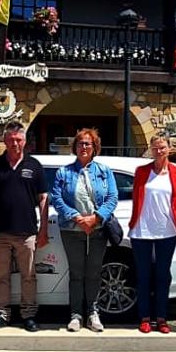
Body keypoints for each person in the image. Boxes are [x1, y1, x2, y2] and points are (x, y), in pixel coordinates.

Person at [0, 122, 49, 332]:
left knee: (28, 276)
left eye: (18, 139)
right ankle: (2, 314)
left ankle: (28, 315)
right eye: (10, 140)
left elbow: (44, 199)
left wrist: (43, 230)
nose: (14, 143)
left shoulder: (34, 166)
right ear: (4, 141)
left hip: (27, 232)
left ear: (25, 141)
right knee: (1, 276)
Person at [50, 127, 118, 332]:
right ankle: (76, 315)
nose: (84, 147)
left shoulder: (104, 172)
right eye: (80, 143)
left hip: (97, 229)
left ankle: (92, 312)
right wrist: (77, 217)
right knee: (77, 273)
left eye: (88, 143)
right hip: (72, 229)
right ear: (75, 147)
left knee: (94, 273)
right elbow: (56, 198)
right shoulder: (64, 172)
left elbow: (112, 198)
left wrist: (95, 218)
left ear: (94, 147)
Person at [128, 133, 176, 334]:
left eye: (162, 147)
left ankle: (162, 318)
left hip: (167, 230)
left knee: (163, 276)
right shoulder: (142, 171)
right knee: (144, 276)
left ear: (169, 149)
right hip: (142, 231)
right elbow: (137, 198)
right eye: (155, 148)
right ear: (151, 149)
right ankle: (145, 317)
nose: (159, 151)